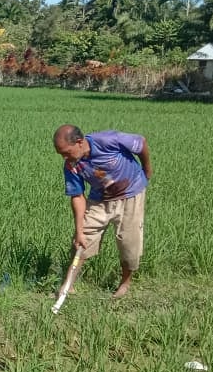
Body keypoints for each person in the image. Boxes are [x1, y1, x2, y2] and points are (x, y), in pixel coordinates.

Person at [53, 124, 152, 299]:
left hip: (131, 194)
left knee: (129, 242)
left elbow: (141, 143)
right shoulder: (71, 164)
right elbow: (77, 196)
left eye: (66, 152)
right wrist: (79, 231)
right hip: (100, 199)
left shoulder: (107, 141)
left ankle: (125, 283)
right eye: (61, 154)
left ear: (80, 142)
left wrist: (147, 169)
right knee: (82, 240)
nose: (64, 157)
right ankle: (68, 285)